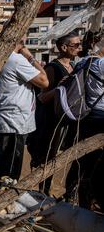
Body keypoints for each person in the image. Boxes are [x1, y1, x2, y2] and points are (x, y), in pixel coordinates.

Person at [27, 31, 81, 195]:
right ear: (64, 47)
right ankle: (43, 192)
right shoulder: (52, 68)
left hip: (67, 121)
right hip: (51, 123)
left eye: (80, 44)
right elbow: (42, 98)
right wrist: (60, 88)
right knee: (48, 159)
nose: (79, 48)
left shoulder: (73, 67)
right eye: (76, 45)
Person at [0, 36, 49, 181]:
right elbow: (44, 81)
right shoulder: (16, 60)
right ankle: (1, 200)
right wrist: (29, 56)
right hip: (13, 120)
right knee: (9, 171)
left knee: (5, 164)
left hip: (4, 118)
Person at [64, 38, 104, 209]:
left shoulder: (84, 61)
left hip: (85, 113)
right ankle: (88, 198)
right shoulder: (102, 64)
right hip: (100, 116)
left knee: (81, 156)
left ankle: (72, 192)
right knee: (95, 160)